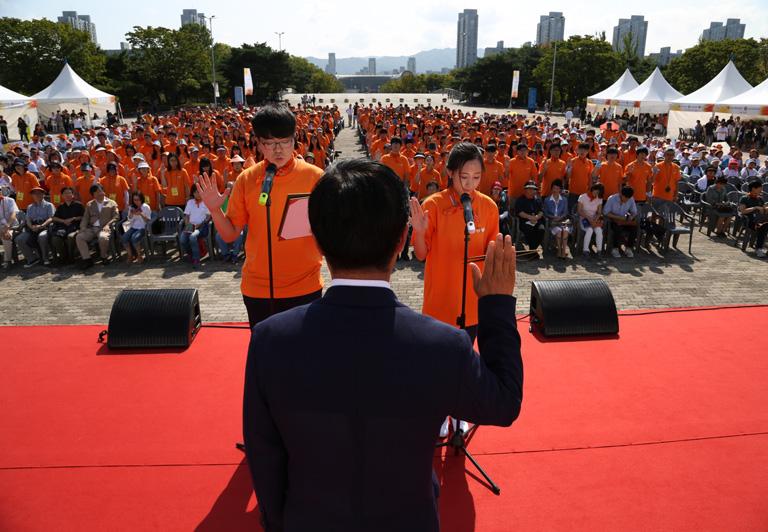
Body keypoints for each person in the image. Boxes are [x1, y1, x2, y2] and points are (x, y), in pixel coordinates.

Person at [243, 158, 523, 532]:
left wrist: (281, 522)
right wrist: (497, 306)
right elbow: (503, 403)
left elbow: (264, 454)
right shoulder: (442, 345)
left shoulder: (270, 340)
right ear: (402, 239)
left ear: (319, 241)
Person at [197, 105, 325, 329]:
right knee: (265, 354)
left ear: (294, 140)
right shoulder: (247, 179)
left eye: (284, 141)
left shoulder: (315, 177)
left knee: (304, 357)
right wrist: (215, 209)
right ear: (258, 144)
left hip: (305, 285)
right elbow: (229, 235)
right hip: (258, 288)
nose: (278, 149)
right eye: (270, 143)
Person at [410, 142, 499, 437]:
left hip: (472, 301)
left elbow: (491, 251)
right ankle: (438, 411)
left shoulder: (487, 206)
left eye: (476, 178)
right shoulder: (433, 204)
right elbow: (421, 254)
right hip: (440, 300)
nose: (470, 185)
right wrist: (420, 231)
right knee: (437, 364)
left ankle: (460, 411)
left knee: (465, 360)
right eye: (464, 177)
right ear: (450, 173)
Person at [76, 184, 119, 269]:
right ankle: (87, 259)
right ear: (93, 194)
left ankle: (104, 256)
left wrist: (108, 225)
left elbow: (116, 217)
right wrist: (83, 227)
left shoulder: (111, 203)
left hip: (104, 228)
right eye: (97, 191)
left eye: (101, 190)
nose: (100, 193)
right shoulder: (90, 204)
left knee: (103, 238)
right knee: (79, 237)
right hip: (92, 228)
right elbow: (85, 218)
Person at [15, 187, 54, 267]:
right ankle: (32, 259)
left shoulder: (49, 205)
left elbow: (51, 218)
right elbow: (28, 219)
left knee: (42, 237)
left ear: (43, 194)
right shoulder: (30, 207)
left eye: (39, 193)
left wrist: (42, 225)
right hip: (32, 227)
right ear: (32, 196)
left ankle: (45, 258)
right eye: (34, 194)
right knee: (19, 239)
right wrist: (31, 227)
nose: (37, 195)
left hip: (45, 226)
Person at [49, 187, 84, 264]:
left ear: (73, 195)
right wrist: (63, 221)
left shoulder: (79, 205)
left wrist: (74, 218)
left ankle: (71, 257)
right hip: (63, 227)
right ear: (62, 196)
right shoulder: (60, 206)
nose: (67, 195)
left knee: (70, 237)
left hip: (76, 227)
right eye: (65, 193)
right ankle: (63, 257)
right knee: (55, 238)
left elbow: (84, 217)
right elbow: (54, 218)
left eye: (69, 193)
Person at [180, 184, 211, 268]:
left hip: (202, 226)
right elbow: (186, 215)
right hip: (190, 226)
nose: (198, 194)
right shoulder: (190, 202)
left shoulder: (206, 202)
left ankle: (196, 259)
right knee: (182, 239)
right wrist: (188, 225)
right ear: (193, 193)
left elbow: (208, 217)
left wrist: (199, 224)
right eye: (196, 192)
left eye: (199, 192)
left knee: (192, 237)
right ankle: (192, 254)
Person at [603, 186, 638, 258]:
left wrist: (631, 217)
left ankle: (628, 248)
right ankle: (615, 248)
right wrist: (618, 217)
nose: (627, 200)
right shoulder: (612, 199)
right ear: (621, 194)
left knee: (634, 228)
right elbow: (605, 212)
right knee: (617, 228)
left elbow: (634, 212)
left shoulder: (630, 199)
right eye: (625, 198)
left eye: (628, 198)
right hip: (613, 220)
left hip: (624, 220)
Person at [215, 181, 245, 264]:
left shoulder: (240, 199)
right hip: (225, 225)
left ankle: (235, 255)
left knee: (240, 235)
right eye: (228, 188)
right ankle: (226, 254)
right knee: (218, 236)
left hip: (237, 225)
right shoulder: (222, 199)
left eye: (232, 188)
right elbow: (218, 213)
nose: (230, 190)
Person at [514, 181, 545, 257]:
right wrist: (530, 217)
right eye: (530, 189)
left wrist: (537, 217)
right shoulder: (520, 200)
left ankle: (532, 251)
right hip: (524, 221)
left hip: (536, 220)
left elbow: (541, 211)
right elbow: (520, 212)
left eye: (534, 189)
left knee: (541, 230)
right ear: (525, 190)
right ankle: (533, 252)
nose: (532, 191)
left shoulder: (538, 199)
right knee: (529, 230)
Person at [738, 180, 768, 257]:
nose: (761, 189)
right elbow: (743, 211)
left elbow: (765, 209)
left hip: (760, 220)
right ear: (753, 188)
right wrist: (755, 208)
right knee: (764, 226)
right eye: (760, 188)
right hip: (749, 220)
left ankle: (760, 247)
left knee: (764, 225)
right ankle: (759, 248)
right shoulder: (744, 198)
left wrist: (766, 208)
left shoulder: (760, 199)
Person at [543, 179, 571, 259]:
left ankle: (563, 250)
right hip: (552, 222)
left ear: (560, 190)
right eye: (554, 188)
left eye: (558, 188)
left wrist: (560, 218)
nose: (556, 190)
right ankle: (559, 250)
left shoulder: (564, 200)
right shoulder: (547, 200)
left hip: (562, 221)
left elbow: (566, 212)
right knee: (558, 231)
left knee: (565, 231)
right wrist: (552, 217)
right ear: (551, 189)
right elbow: (545, 213)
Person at [121, 192, 151, 264]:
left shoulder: (146, 207)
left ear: (141, 199)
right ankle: (130, 255)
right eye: (134, 200)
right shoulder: (132, 207)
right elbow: (129, 219)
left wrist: (141, 214)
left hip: (143, 227)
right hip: (133, 227)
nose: (136, 201)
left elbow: (148, 220)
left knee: (134, 238)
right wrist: (131, 214)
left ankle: (139, 256)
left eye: (138, 200)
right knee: (124, 238)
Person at [578, 183, 604, 257]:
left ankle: (599, 251)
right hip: (584, 218)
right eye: (596, 192)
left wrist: (595, 220)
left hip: (594, 219)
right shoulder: (582, 197)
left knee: (599, 230)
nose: (596, 194)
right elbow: (579, 211)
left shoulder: (599, 199)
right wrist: (589, 219)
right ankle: (585, 250)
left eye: (598, 193)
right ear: (593, 189)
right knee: (589, 230)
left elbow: (599, 213)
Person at [0, 185, 19, 269]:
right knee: (3, 233)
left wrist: (7, 227)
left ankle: (7, 261)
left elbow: (13, 214)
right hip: (1, 227)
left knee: (6, 236)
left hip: (12, 226)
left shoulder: (10, 200)